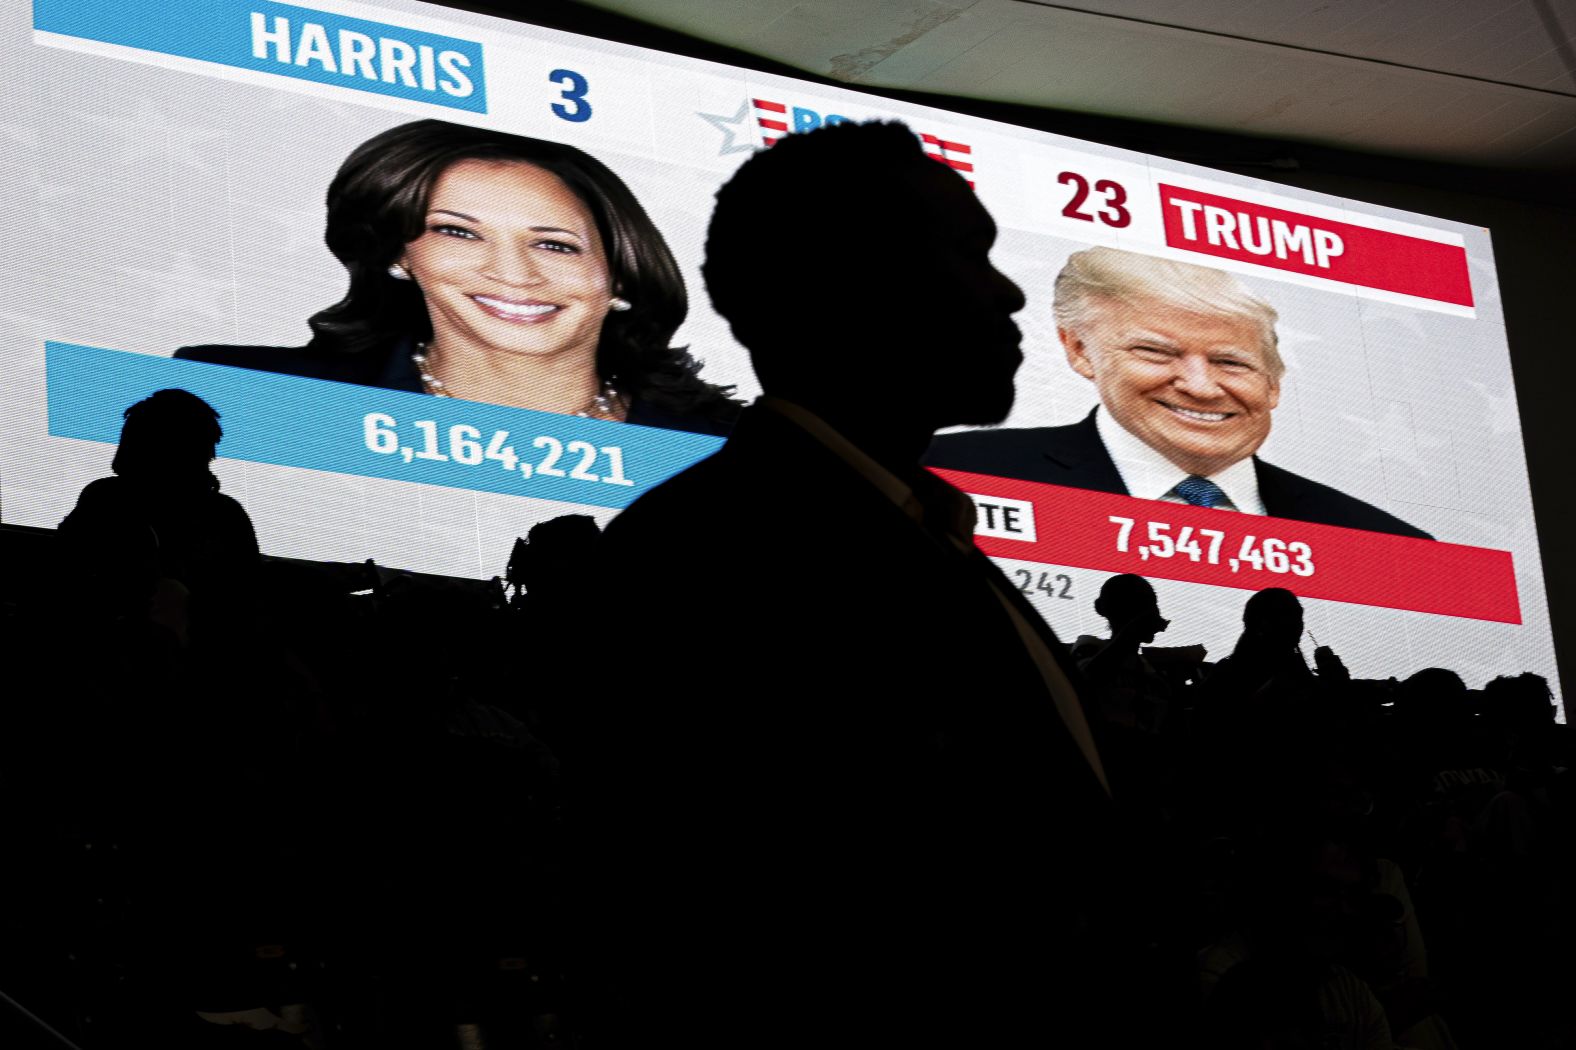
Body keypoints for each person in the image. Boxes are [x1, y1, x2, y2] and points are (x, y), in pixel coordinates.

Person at [581, 121, 1186, 1048]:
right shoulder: (710, 555)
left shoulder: (925, 539)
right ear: (849, 284)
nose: (1010, 291)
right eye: (968, 255)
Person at [177, 120, 739, 435]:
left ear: (620, 275)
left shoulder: (735, 449)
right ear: (399, 255)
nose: (514, 274)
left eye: (553, 244)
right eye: (458, 232)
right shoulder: (238, 392)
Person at [926, 246, 1432, 539]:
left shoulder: (1386, 541)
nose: (1200, 386)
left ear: (1274, 384)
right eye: (1157, 353)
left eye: (1231, 362)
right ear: (1080, 351)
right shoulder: (950, 474)